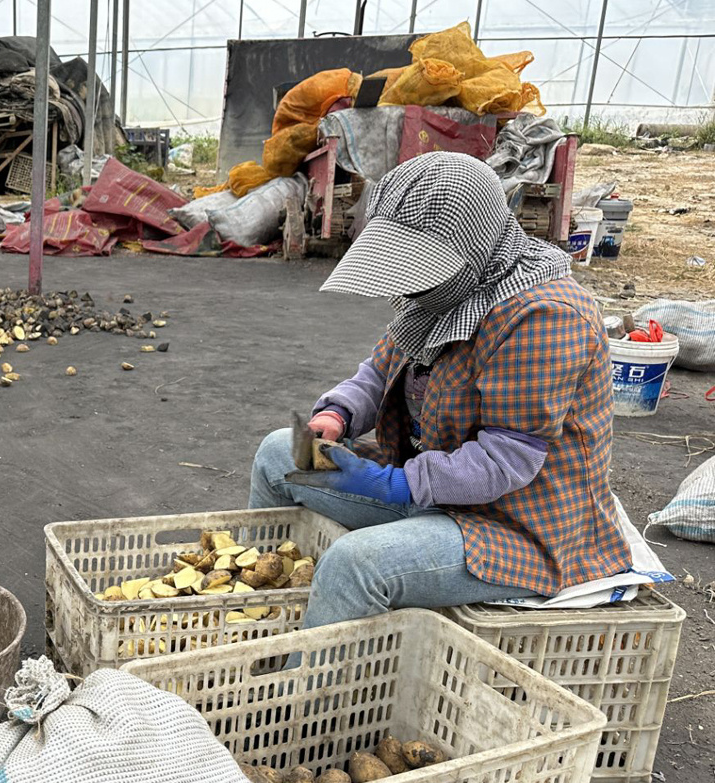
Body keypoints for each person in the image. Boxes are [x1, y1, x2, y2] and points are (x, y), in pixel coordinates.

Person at [249, 151, 630, 629]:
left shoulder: (546, 315)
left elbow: (505, 459)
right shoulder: (440, 294)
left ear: (473, 246)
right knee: (278, 454)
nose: (408, 286)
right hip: (429, 483)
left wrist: (396, 484)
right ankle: (259, 608)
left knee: (357, 564)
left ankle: (294, 697)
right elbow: (379, 370)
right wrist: (337, 416)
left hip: (514, 522)